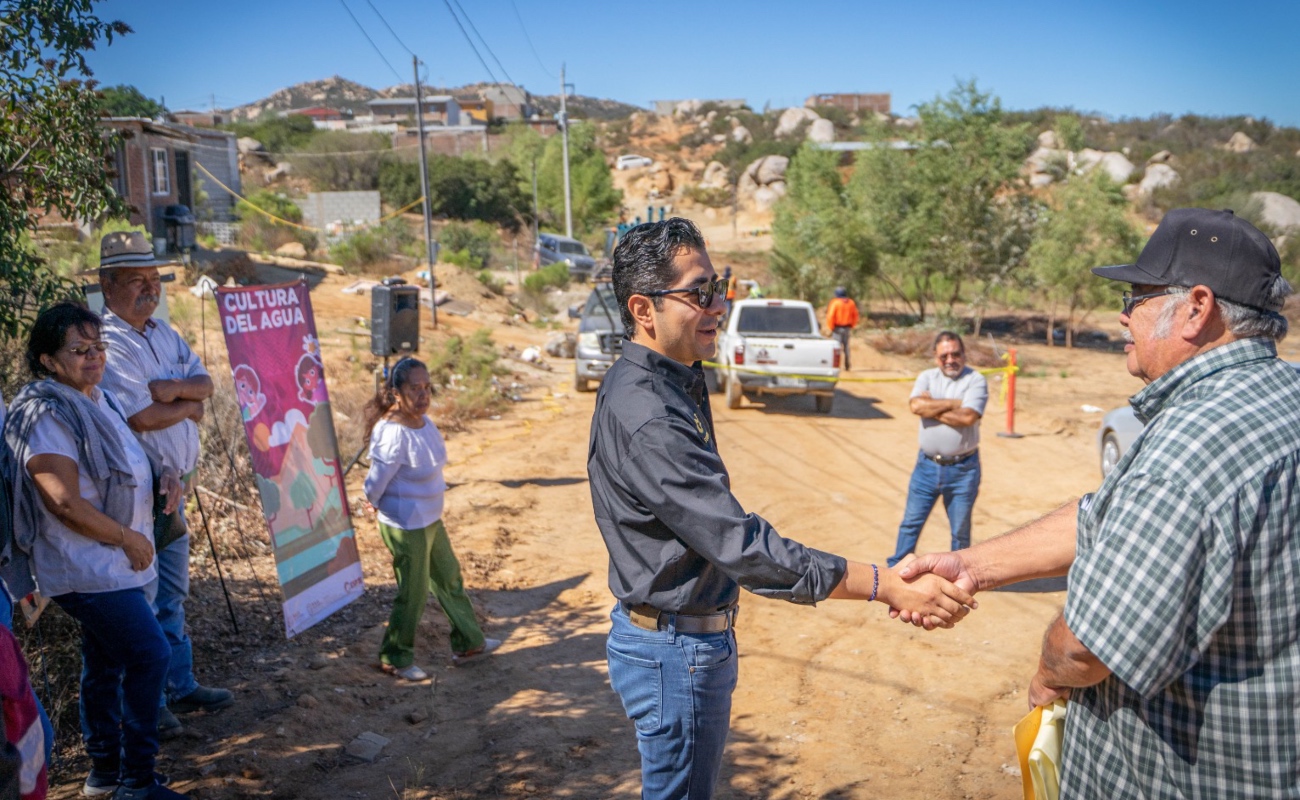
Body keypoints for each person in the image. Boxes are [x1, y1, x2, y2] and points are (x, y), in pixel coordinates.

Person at [899, 208, 1300, 796]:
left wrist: (1045, 675)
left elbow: (1087, 646)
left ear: (1196, 307)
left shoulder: (1189, 446)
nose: (1121, 313)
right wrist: (974, 565)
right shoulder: (1282, 396)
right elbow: (1106, 515)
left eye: (1137, 295)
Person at [588, 218, 974, 800]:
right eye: (699, 294)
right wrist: (882, 583)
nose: (716, 306)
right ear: (644, 309)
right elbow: (741, 545)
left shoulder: (673, 380)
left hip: (680, 641)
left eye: (718, 288)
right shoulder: (649, 415)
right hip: (675, 652)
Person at [3, 302, 187, 800]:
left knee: (105, 662)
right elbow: (62, 501)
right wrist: (128, 538)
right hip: (85, 567)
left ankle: (105, 772)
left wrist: (162, 474)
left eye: (98, 347)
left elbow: (128, 456)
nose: (94, 358)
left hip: (113, 565)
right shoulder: (47, 414)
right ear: (47, 360)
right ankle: (137, 782)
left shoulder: (96, 399)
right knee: (150, 654)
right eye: (79, 350)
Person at [95, 231, 232, 740]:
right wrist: (184, 403)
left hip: (176, 487)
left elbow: (206, 386)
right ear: (108, 285)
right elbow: (142, 417)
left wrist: (177, 391)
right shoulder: (107, 342)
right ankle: (150, 703)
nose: (149, 290)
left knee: (172, 594)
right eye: (136, 281)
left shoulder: (163, 332)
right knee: (145, 597)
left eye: (154, 280)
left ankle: (180, 683)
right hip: (139, 493)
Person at [362, 357, 501, 680]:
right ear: (397, 392)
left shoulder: (424, 422)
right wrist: (369, 502)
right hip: (405, 524)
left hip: (430, 519)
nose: (424, 395)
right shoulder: (392, 432)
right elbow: (376, 479)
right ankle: (395, 657)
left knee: (448, 577)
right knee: (412, 592)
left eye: (427, 388)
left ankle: (469, 642)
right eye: (415, 388)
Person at [886, 332, 987, 568]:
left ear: (964, 354)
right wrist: (954, 403)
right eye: (944, 355)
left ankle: (960, 575)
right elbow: (915, 405)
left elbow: (968, 417)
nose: (950, 359)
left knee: (960, 531)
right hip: (926, 467)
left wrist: (931, 408)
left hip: (963, 470)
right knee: (910, 523)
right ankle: (896, 571)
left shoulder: (975, 380)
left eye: (956, 354)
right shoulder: (926, 377)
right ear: (935, 356)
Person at [823, 286, 861, 371]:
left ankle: (837, 365)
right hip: (847, 328)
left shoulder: (835, 303)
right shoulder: (851, 303)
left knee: (837, 347)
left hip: (837, 328)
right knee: (846, 346)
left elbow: (831, 316)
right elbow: (855, 315)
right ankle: (847, 364)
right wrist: (852, 325)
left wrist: (831, 327)